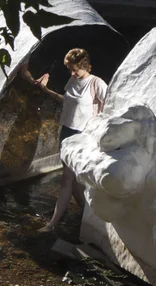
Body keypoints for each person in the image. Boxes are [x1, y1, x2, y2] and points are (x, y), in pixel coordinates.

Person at [28, 48, 108, 232]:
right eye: (69, 69)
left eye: (74, 69)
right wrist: (45, 89)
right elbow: (66, 101)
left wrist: (101, 130)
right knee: (74, 183)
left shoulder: (97, 83)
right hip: (66, 132)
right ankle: (88, 217)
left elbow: (110, 106)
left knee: (67, 180)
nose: (71, 73)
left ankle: (53, 223)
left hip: (83, 135)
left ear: (84, 65)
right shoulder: (73, 79)